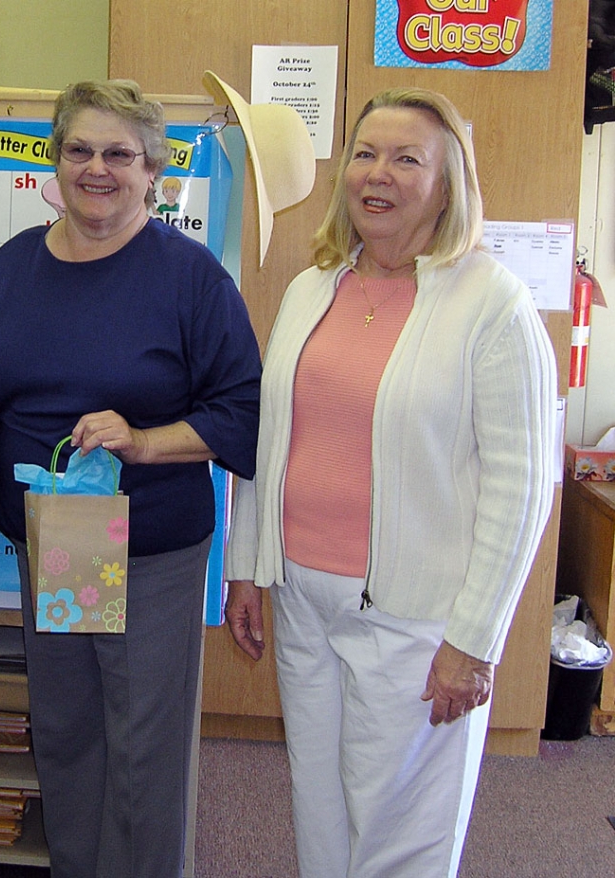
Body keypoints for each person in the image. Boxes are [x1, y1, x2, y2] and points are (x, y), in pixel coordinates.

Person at [225, 87, 556, 878]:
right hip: (304, 597)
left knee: (402, 830)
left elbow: (523, 486)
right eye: (366, 154)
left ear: (449, 184)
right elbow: (275, 438)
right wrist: (247, 563)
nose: (380, 174)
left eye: (409, 159)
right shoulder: (315, 288)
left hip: (417, 621)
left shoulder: (492, 304)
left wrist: (474, 641)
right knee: (322, 808)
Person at [0, 79, 261, 877]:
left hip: (150, 550)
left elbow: (240, 413)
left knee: (144, 742)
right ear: (55, 161)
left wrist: (142, 440)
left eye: (118, 154)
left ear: (153, 173)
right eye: (79, 150)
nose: (96, 168)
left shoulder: (191, 277)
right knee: (68, 729)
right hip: (56, 542)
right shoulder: (8, 269)